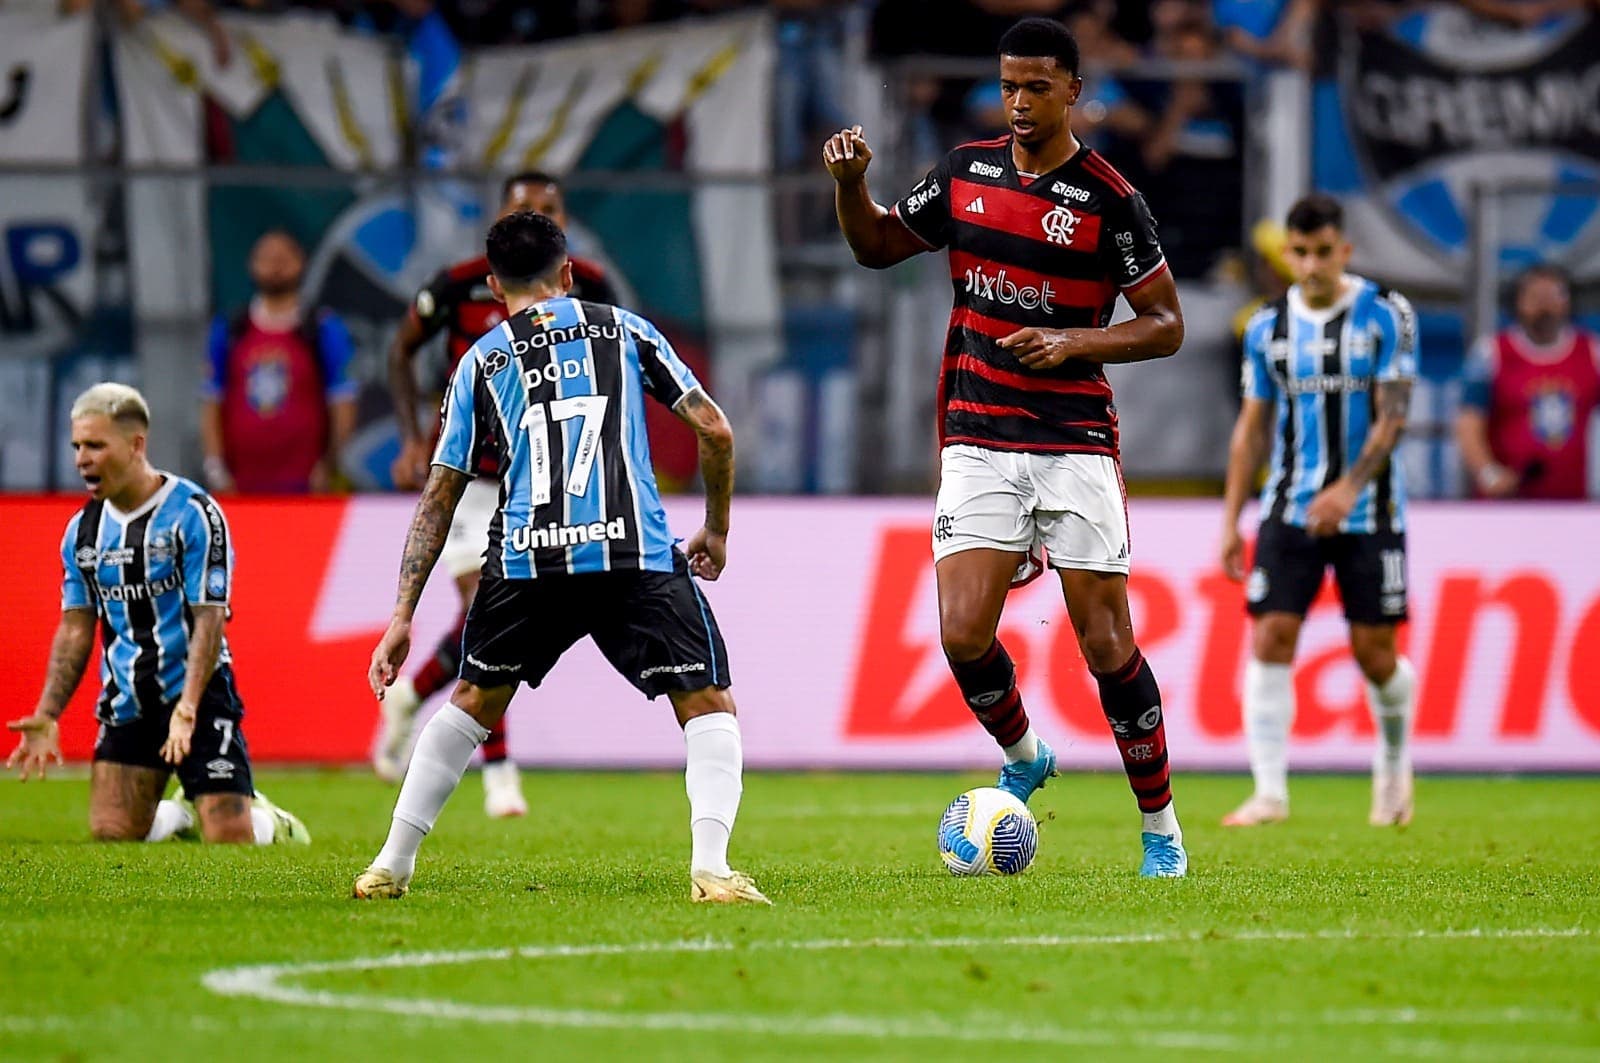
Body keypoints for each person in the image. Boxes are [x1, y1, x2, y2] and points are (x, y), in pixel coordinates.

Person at [823, 17, 1189, 878]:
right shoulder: (965, 173)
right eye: (1007, 85)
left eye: (1035, 87)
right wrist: (852, 186)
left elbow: (1168, 323)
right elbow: (877, 246)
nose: (1017, 103)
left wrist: (1074, 343)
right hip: (978, 432)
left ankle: (1162, 830)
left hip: (1073, 440)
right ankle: (1025, 755)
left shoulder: (1108, 200)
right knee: (960, 633)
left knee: (1106, 646)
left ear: (1072, 91)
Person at [354, 211, 764, 904]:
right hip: (632, 550)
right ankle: (712, 870)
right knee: (707, 702)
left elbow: (440, 494)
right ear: (569, 273)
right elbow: (715, 429)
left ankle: (390, 864)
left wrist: (401, 614)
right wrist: (716, 530)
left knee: (472, 701)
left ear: (493, 285)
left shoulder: (480, 361)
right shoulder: (627, 330)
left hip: (526, 559)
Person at [377, 171, 620, 816]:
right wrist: (409, 440)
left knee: (499, 620)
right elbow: (400, 351)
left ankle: (415, 692)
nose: (541, 215)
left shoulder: (590, 285)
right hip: (473, 481)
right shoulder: (459, 285)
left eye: (550, 207)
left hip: (546, 478)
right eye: (527, 208)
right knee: (485, 613)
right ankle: (500, 772)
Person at [6, 383, 310, 846]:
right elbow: (75, 628)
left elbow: (209, 618)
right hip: (129, 697)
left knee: (230, 836)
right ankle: (175, 817)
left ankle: (272, 822)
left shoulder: (193, 513)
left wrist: (187, 708)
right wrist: (48, 713)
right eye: (77, 446)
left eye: (95, 445)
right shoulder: (83, 532)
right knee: (112, 834)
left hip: (199, 692)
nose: (81, 459)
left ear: (136, 445)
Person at [1219, 193, 1420, 828]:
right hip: (1289, 507)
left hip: (1372, 511)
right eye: (1299, 253)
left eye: (1322, 252)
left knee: (1374, 654)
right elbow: (1251, 429)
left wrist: (1349, 488)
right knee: (1271, 636)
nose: (1310, 266)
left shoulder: (1386, 314)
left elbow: (1393, 418)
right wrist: (1230, 520)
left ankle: (1392, 764)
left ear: (1345, 250)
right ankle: (1269, 792)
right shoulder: (1266, 327)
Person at [199, 229, 359, 495]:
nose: (275, 267)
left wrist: (328, 466)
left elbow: (343, 403)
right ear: (252, 265)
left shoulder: (322, 329)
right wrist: (215, 468)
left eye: (284, 258)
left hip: (306, 487)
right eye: (267, 258)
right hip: (240, 486)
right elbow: (212, 402)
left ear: (301, 263)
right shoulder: (230, 329)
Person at [1456, 263, 1600, 500]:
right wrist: (1489, 473)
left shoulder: (1592, 353)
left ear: (1569, 301)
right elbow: (1468, 422)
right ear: (1518, 302)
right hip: (1505, 503)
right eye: (1535, 297)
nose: (1545, 305)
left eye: (1554, 296)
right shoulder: (1491, 353)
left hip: (1573, 504)